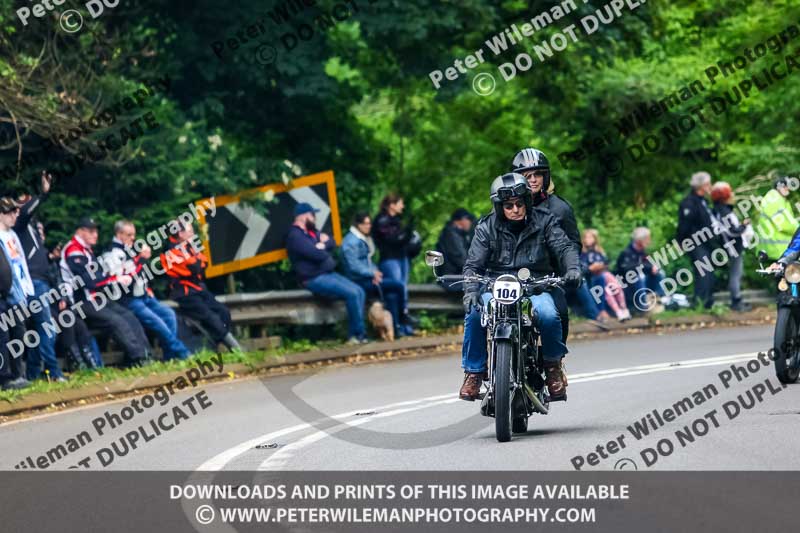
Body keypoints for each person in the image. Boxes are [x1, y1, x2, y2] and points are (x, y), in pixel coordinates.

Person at [460, 173, 582, 402]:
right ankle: (474, 372)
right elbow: (473, 265)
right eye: (508, 206)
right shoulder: (486, 227)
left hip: (535, 285)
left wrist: (573, 268)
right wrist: (471, 291)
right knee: (475, 312)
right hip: (495, 285)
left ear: (526, 202)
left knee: (547, 314)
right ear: (500, 207)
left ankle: (553, 365)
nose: (515, 209)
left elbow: (565, 248)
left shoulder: (546, 221)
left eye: (519, 204)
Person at [511, 148, 608, 328]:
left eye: (537, 175)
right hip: (512, 275)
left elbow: (573, 243)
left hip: (548, 275)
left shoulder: (560, 208)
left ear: (545, 177)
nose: (532, 180)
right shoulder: (508, 206)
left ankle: (554, 356)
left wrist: (569, 268)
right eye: (527, 175)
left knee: (559, 314)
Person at [61, 217, 151, 367]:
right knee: (115, 321)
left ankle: (146, 354)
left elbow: (99, 275)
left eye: (96, 231)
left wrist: (112, 278)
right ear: (80, 231)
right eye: (91, 231)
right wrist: (114, 279)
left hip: (95, 297)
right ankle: (138, 358)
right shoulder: (73, 251)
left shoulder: (86, 250)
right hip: (80, 302)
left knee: (128, 315)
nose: (95, 234)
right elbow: (88, 281)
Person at [103, 220, 191, 360]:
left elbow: (140, 273)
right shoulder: (113, 254)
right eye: (129, 235)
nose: (133, 238)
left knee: (169, 315)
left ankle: (169, 356)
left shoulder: (129, 248)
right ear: (119, 234)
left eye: (134, 235)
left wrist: (146, 286)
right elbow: (125, 283)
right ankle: (182, 352)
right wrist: (142, 259)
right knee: (158, 322)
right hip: (128, 299)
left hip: (143, 296)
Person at [13, 171, 66, 381]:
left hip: (42, 281)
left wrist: (50, 257)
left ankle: (35, 373)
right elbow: (25, 212)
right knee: (46, 327)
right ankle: (53, 372)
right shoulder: (19, 222)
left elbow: (34, 254)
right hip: (34, 283)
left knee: (43, 329)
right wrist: (42, 194)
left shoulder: (32, 229)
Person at [162, 221, 241, 352]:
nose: (193, 234)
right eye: (190, 231)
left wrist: (197, 260)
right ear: (180, 234)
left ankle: (217, 345)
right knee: (210, 316)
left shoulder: (188, 246)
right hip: (184, 293)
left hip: (198, 289)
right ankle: (235, 348)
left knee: (223, 311)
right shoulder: (171, 251)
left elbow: (203, 264)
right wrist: (197, 260)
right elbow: (194, 267)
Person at [340, 212, 411, 338]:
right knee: (399, 286)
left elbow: (368, 261)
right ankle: (404, 316)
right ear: (358, 225)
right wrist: (371, 273)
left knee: (392, 295)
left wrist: (375, 273)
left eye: (369, 223)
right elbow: (354, 266)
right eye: (365, 224)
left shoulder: (364, 238)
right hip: (359, 280)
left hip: (369, 278)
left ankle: (396, 327)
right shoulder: (351, 242)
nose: (369, 226)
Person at [0, 197, 33, 390]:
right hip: (7, 293)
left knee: (19, 333)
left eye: (15, 211)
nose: (15, 215)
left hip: (19, 291)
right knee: (6, 335)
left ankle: (17, 373)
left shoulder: (13, 235)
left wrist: (27, 287)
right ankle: (9, 376)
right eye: (10, 212)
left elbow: (21, 262)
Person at [373, 193, 417, 327]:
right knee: (397, 288)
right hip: (390, 259)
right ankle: (397, 323)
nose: (402, 206)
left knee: (403, 289)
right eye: (400, 203)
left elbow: (403, 240)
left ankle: (404, 323)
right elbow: (393, 240)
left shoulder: (397, 220)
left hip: (402, 257)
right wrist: (407, 233)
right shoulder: (381, 221)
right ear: (392, 205)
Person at [677, 171, 717, 309]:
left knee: (709, 272)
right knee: (704, 271)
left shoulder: (703, 201)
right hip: (695, 242)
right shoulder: (689, 203)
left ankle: (707, 301)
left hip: (706, 242)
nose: (710, 186)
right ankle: (700, 302)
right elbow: (684, 225)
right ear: (702, 185)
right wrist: (681, 241)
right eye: (708, 184)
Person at [711, 182, 752, 312]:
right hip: (732, 246)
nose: (733, 194)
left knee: (736, 273)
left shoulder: (721, 209)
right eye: (730, 192)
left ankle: (736, 299)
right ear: (724, 196)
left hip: (730, 245)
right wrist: (744, 225)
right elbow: (732, 231)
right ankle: (736, 301)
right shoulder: (723, 211)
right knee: (736, 274)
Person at [581, 229, 631, 321]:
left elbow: (606, 263)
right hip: (592, 278)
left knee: (615, 286)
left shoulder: (600, 251)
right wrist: (591, 268)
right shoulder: (582, 253)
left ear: (595, 239)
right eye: (585, 237)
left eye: (590, 237)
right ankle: (618, 311)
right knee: (607, 288)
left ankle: (623, 309)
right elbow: (583, 268)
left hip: (604, 274)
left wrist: (601, 266)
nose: (587, 239)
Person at [616, 227, 666, 311]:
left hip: (643, 282)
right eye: (647, 239)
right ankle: (642, 305)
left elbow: (649, 264)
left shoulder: (643, 253)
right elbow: (627, 270)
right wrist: (647, 267)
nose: (649, 241)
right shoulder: (626, 253)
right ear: (640, 240)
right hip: (627, 284)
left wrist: (653, 268)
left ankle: (658, 299)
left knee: (660, 273)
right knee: (637, 277)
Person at [756, 176, 798, 260]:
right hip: (776, 251)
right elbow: (783, 225)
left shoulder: (779, 200)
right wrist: (798, 230)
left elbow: (789, 221)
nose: (788, 188)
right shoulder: (774, 201)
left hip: (776, 250)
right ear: (778, 187)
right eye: (785, 186)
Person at [436, 208, 475, 281]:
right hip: (451, 278)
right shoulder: (451, 235)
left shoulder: (458, 235)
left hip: (455, 276)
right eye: (468, 219)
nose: (470, 222)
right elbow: (458, 259)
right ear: (461, 220)